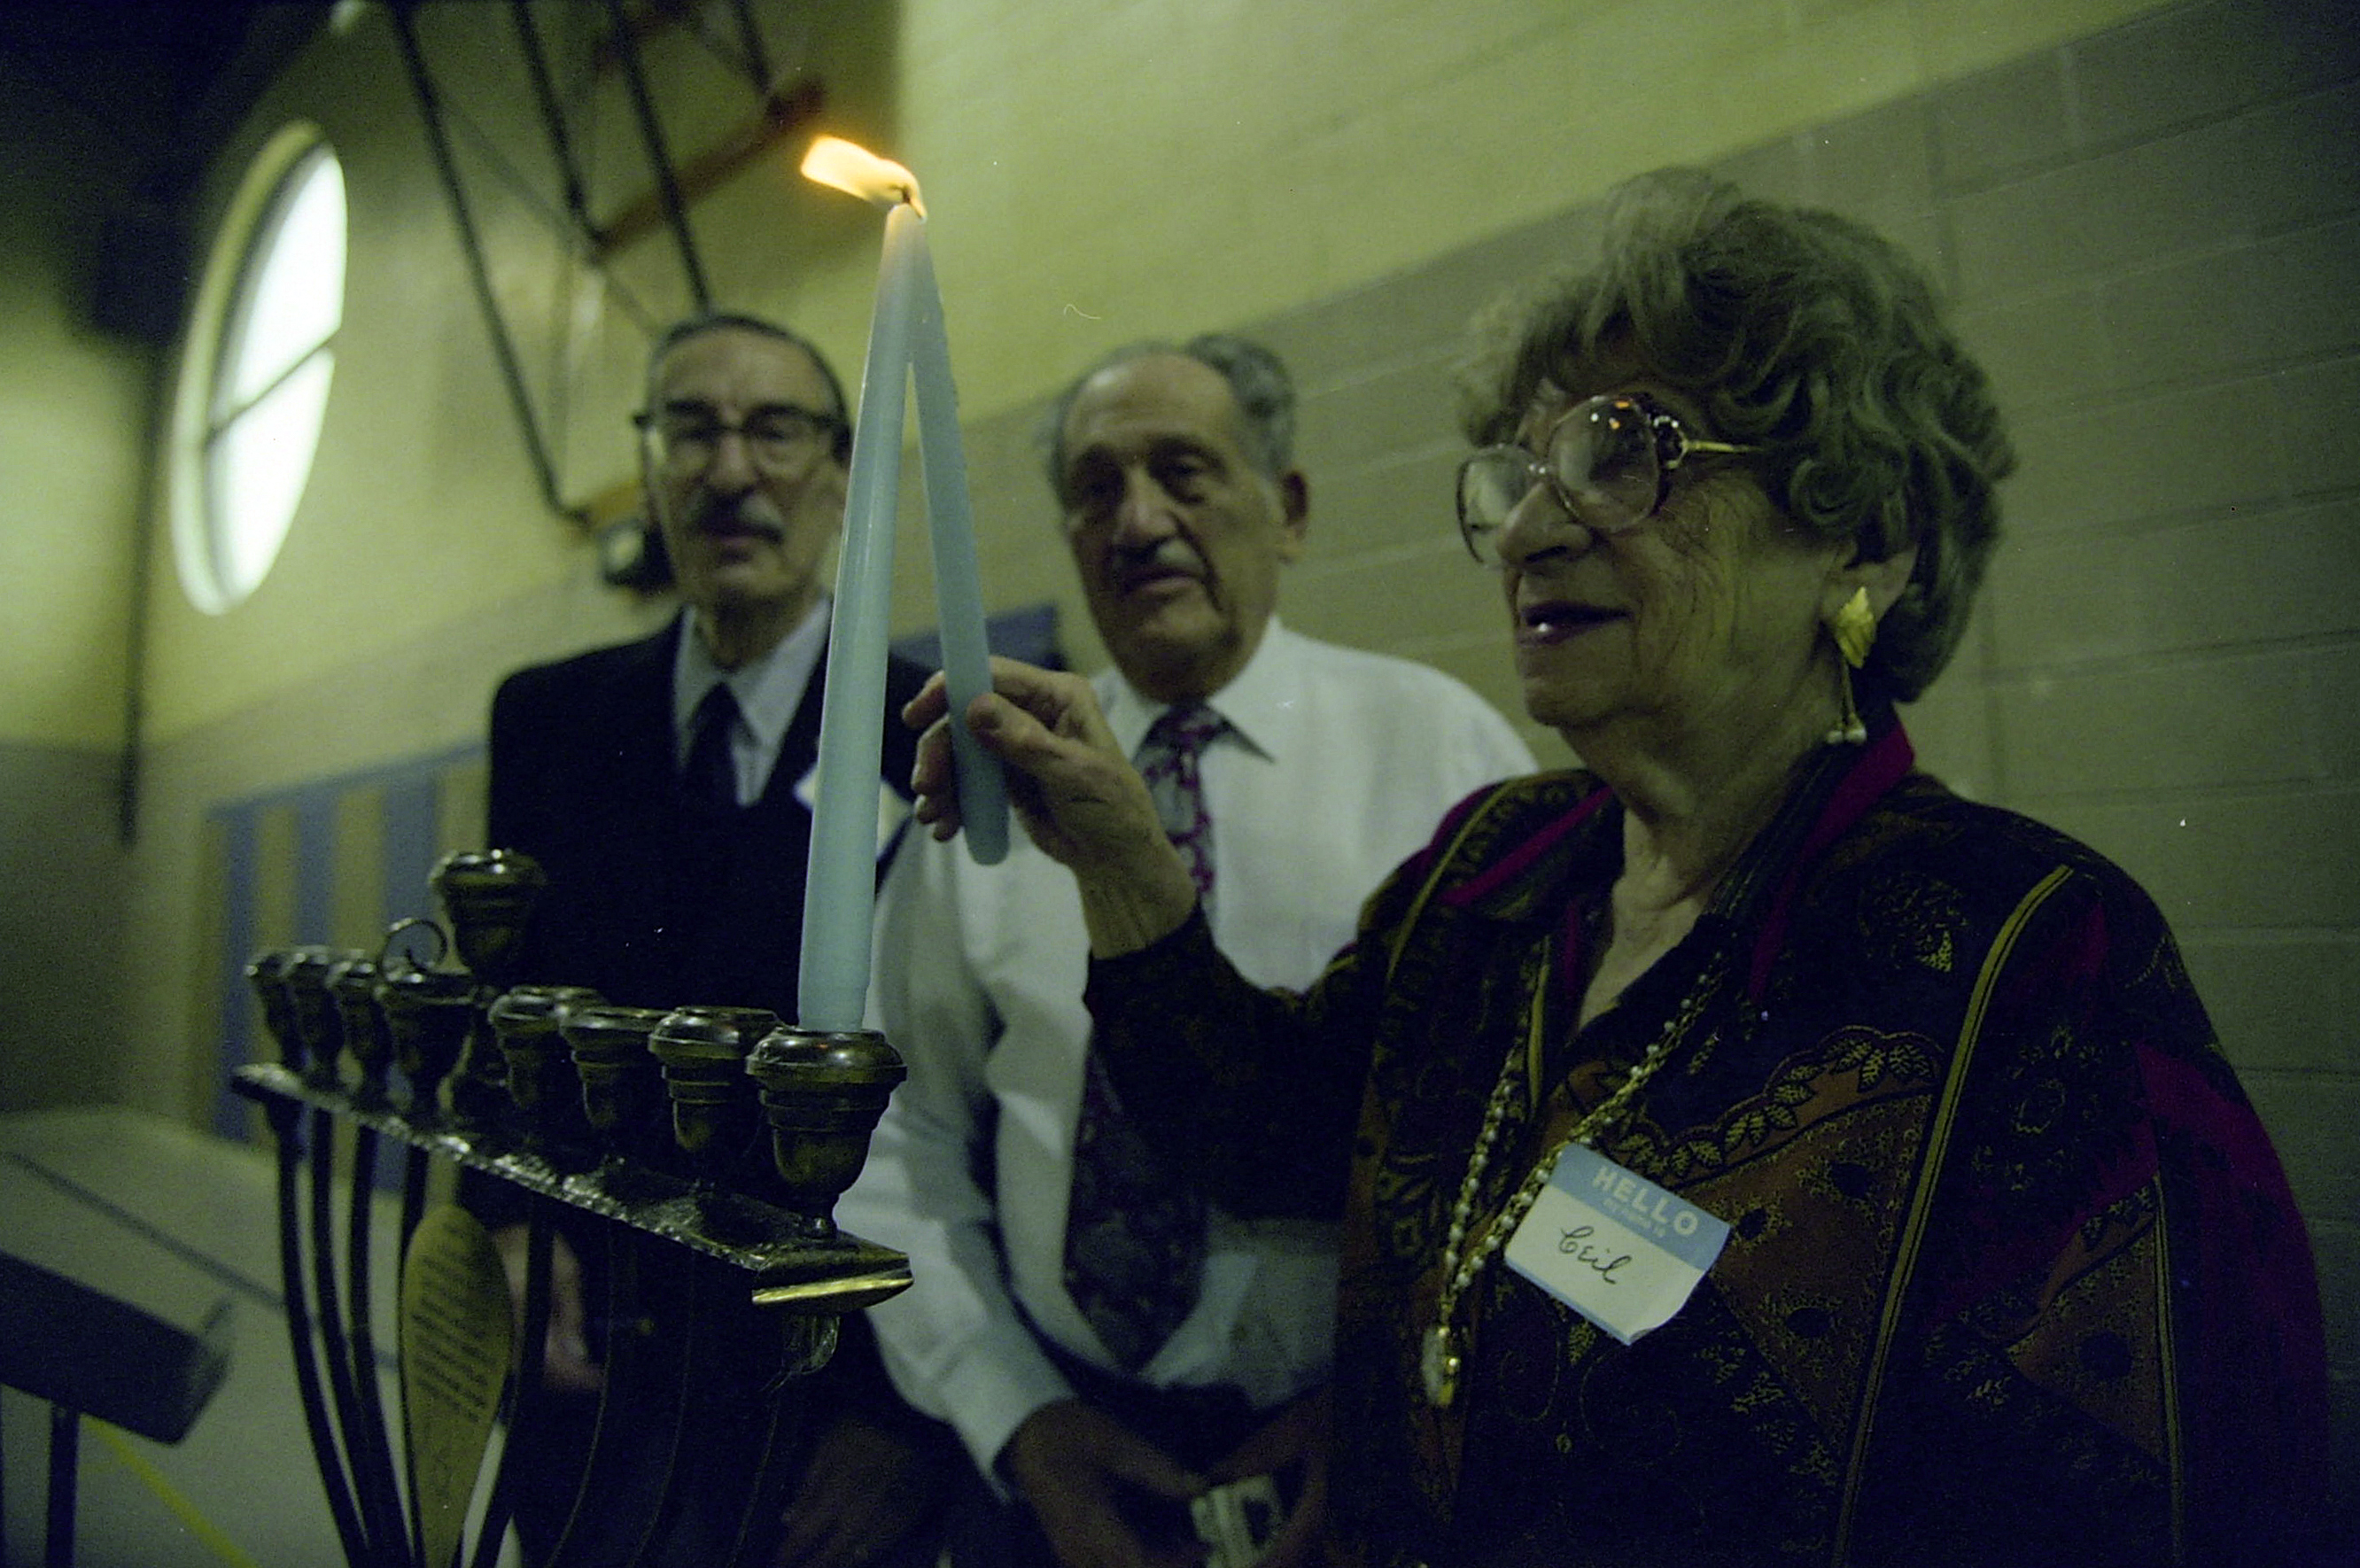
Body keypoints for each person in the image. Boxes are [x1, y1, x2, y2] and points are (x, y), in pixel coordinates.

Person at [897, 173, 2332, 1566]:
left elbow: (2166, 1506)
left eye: (1621, 454)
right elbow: (1268, 1131)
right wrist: (1121, 860)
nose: (1529, 529)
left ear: (1863, 537)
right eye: (1521, 475)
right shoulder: (1499, 871)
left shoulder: (2024, 956)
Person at [837, 334, 1536, 1568]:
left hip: (1361, 1442)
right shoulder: (992, 795)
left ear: (1291, 509)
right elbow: (902, 1136)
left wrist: (1387, 1401)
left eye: (1184, 471)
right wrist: (1016, 1415)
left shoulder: (1442, 755)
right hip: (1063, 1442)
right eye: (1096, 488)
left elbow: (1517, 1139)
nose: (1139, 520)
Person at [484, 311, 946, 1567]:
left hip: (827, 1393)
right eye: (691, 429)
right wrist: (507, 1224)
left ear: (842, 472)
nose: (731, 471)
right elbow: (503, 1007)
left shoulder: (933, 731)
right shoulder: (549, 719)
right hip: (585, 1368)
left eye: (776, 431)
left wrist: (912, 1414)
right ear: (648, 469)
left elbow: (969, 1097)